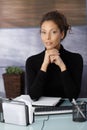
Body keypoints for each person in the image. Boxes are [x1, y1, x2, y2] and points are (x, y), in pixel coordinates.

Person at [25, 10, 83, 101]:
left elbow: (73, 97)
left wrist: (62, 66)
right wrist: (44, 65)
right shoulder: (31, 62)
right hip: (41, 113)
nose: (47, 37)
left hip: (66, 111)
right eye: (43, 32)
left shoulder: (76, 59)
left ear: (62, 34)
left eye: (53, 32)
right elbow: (33, 96)